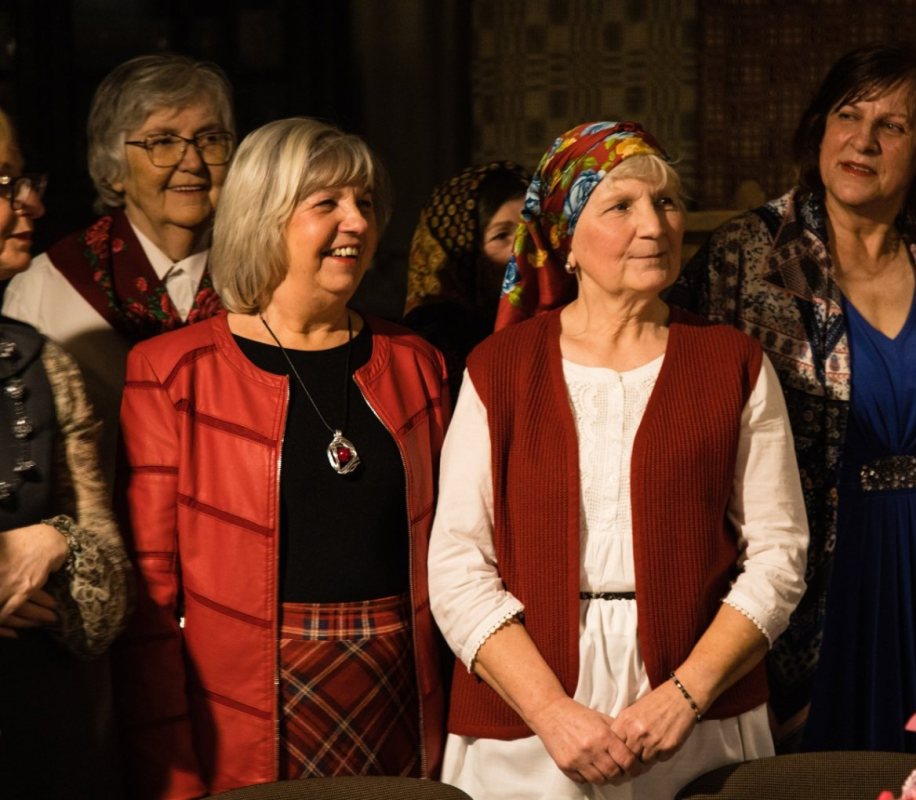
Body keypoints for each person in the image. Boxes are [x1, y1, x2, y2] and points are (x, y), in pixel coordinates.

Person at [428, 121, 808, 800]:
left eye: (666, 202)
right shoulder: (498, 369)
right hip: (526, 720)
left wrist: (684, 696)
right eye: (621, 206)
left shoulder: (732, 363)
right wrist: (551, 712)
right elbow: (457, 566)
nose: (654, 226)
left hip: (697, 716)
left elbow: (779, 556)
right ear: (565, 240)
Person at [673, 43, 916, 753]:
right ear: (819, 128)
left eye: (893, 126)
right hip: (800, 602)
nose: (863, 140)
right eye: (848, 115)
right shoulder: (748, 259)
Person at [114, 118, 450, 798]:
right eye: (328, 203)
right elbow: (149, 603)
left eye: (365, 202)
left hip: (401, 697)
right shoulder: (172, 372)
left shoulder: (418, 364)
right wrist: (172, 778)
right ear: (262, 218)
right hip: (245, 712)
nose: (357, 222)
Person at [2, 53, 233, 478]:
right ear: (113, 169)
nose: (193, 162)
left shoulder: (265, 278)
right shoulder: (45, 286)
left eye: (210, 139)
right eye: (162, 142)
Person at [0, 108, 132, 799]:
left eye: (26, 180)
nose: (33, 203)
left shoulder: (42, 365)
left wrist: (53, 542)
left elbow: (106, 604)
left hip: (30, 738)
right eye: (5, 183)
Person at [403, 161, 528, 397]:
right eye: (502, 235)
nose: (524, 246)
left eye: (530, 229)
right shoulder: (434, 341)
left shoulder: (557, 318)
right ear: (463, 252)